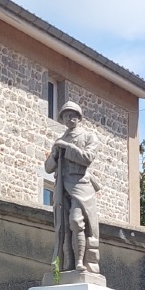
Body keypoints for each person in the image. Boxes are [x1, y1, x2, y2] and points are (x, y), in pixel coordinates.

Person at [45, 101, 101, 274]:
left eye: (72, 115)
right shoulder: (59, 140)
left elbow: (87, 157)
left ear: (79, 117)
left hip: (80, 185)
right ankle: (67, 264)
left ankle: (80, 262)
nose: (69, 118)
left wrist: (68, 148)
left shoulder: (88, 137)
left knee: (76, 222)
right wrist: (54, 155)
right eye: (66, 116)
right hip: (62, 187)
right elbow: (48, 168)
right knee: (63, 228)